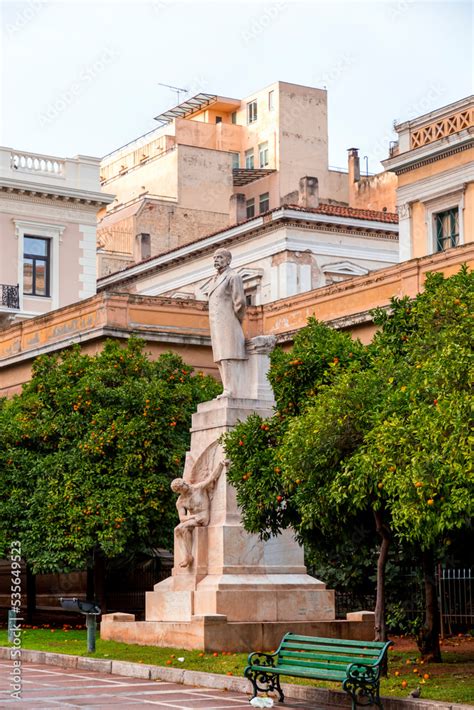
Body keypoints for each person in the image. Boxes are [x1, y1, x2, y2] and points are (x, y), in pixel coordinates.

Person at [171, 459, 226, 568]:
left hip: (203, 516)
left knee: (184, 527)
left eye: (183, 486)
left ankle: (188, 556)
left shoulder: (197, 488)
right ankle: (187, 555)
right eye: (180, 490)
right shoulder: (180, 501)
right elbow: (182, 518)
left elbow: (211, 478)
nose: (183, 489)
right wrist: (192, 516)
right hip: (193, 518)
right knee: (177, 529)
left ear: (185, 483)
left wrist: (220, 464)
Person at [207, 248, 247, 398]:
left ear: (228, 260)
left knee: (228, 355)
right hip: (216, 323)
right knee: (219, 357)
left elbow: (240, 301)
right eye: (215, 258)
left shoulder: (233, 276)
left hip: (228, 320)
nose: (216, 260)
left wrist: (237, 318)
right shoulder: (213, 279)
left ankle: (231, 389)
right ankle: (226, 388)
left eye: (220, 257)